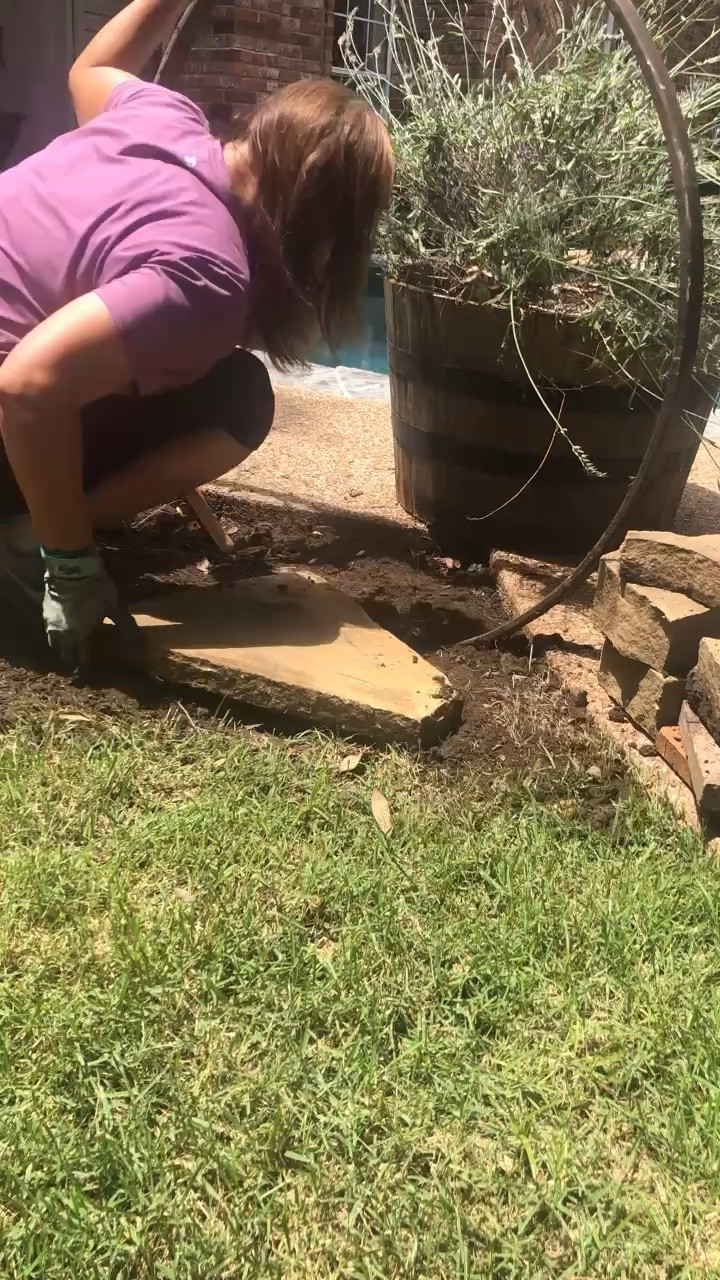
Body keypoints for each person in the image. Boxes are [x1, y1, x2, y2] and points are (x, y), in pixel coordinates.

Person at [0, 0, 393, 667]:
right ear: (318, 220)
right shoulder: (205, 273)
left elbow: (93, 65)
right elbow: (28, 386)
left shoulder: (159, 117)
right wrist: (72, 568)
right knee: (238, 398)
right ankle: (29, 539)